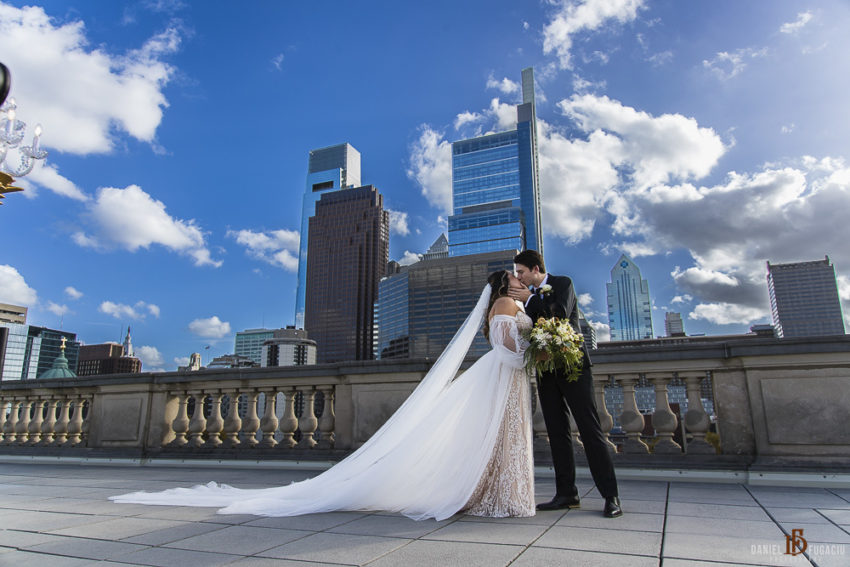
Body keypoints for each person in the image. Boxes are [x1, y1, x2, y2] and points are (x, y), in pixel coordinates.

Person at [112, 271, 536, 520]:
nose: (520, 279)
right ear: (504, 285)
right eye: (516, 277)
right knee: (493, 435)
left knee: (497, 437)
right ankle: (490, 493)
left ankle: (498, 490)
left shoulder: (513, 305)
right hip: (502, 373)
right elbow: (504, 346)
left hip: (506, 377)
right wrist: (532, 351)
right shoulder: (503, 305)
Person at [509, 250, 623, 518]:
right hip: (547, 369)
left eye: (521, 272)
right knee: (556, 432)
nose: (519, 277)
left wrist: (531, 299)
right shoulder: (525, 300)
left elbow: (559, 314)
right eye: (517, 274)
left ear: (536, 269)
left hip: (574, 367)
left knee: (590, 429)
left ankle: (611, 496)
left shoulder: (563, 283)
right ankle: (566, 494)